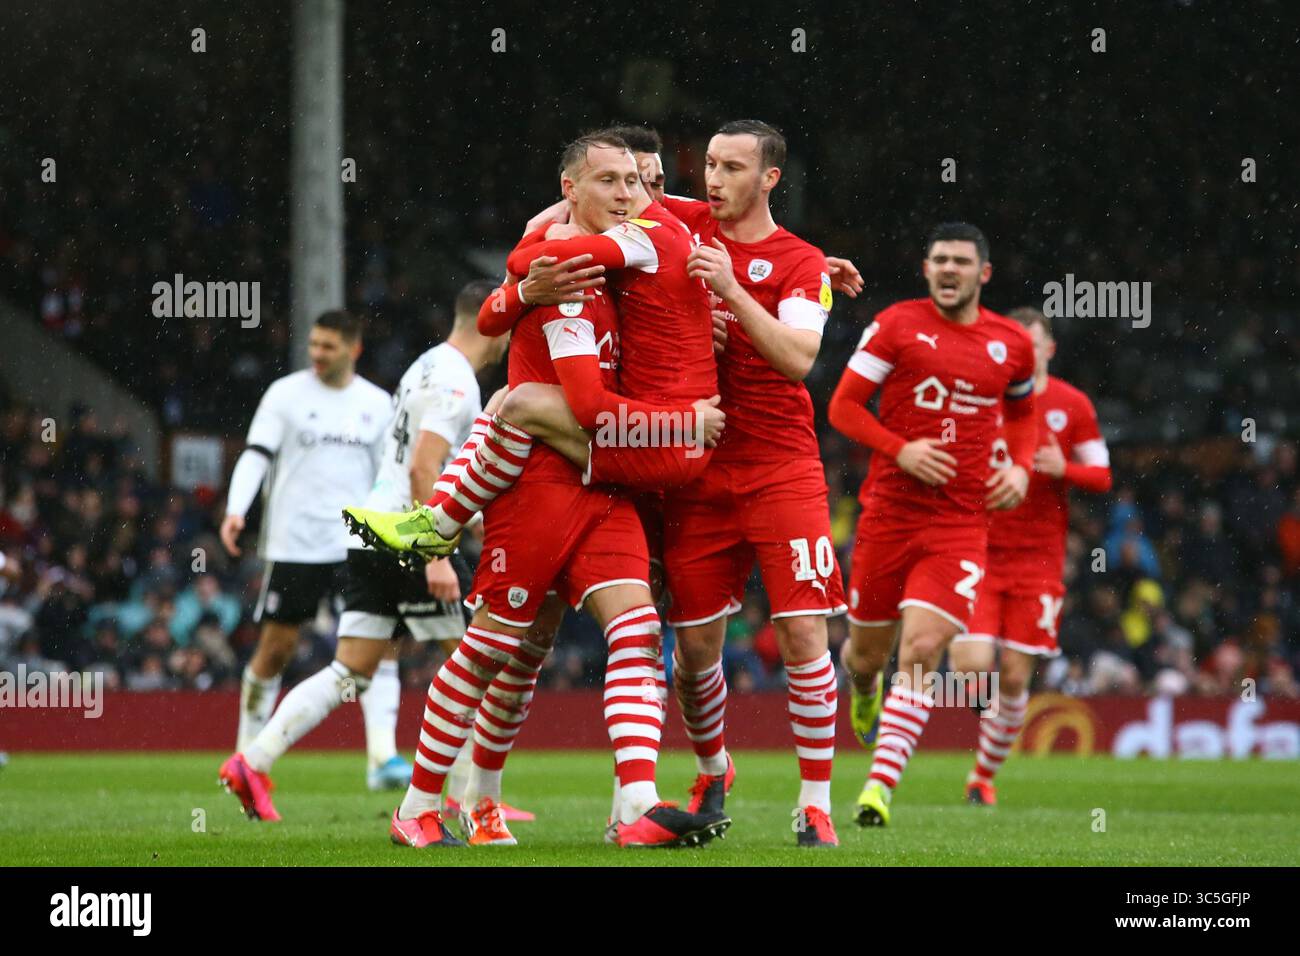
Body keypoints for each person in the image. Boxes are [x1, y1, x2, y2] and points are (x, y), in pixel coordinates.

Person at [219, 285, 511, 822]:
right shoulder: (457, 383)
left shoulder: (424, 365)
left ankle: (251, 762)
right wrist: (437, 556)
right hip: (409, 539)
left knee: (351, 670)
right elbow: (425, 468)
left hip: (372, 532)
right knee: (476, 658)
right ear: (491, 322)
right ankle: (475, 799)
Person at [827, 222, 1036, 827]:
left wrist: (1020, 469)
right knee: (866, 657)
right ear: (926, 269)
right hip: (889, 515)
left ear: (983, 273)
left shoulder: (1011, 344)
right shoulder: (896, 325)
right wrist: (901, 450)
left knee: (921, 648)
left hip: (960, 524)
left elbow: (1023, 416)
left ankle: (878, 789)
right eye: (939, 260)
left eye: (961, 262)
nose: (949, 270)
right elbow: (842, 407)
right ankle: (864, 690)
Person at [218, 310, 402, 794]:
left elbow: (391, 474)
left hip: (357, 544)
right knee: (276, 649)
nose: (317, 354)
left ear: (353, 349)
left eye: (328, 346)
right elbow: (256, 454)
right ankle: (246, 754)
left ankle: (382, 758)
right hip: (295, 543)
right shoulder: (286, 395)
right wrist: (237, 510)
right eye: (314, 345)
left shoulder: (378, 405)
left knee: (378, 642)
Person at [948, 307, 1111, 805]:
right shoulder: (983, 395)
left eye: (1034, 343)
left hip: (1038, 562)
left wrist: (1065, 468)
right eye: (1017, 343)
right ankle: (986, 717)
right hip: (979, 550)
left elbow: (1103, 476)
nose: (1026, 351)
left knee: (1016, 676)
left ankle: (982, 777)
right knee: (972, 666)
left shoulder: (1072, 404)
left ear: (1048, 349)